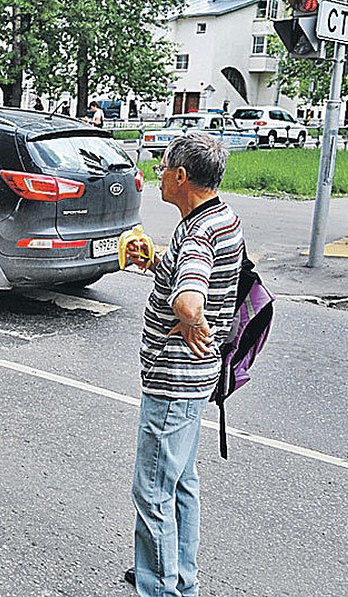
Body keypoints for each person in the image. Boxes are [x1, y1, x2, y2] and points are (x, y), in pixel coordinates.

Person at [123, 131, 243, 597]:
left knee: (152, 490)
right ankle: (180, 579)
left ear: (181, 176)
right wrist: (157, 263)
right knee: (181, 483)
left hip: (174, 381)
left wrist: (191, 315)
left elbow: (191, 299)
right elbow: (193, 272)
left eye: (163, 166)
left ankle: (161, 589)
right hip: (195, 379)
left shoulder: (197, 233)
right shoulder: (218, 217)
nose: (157, 173)